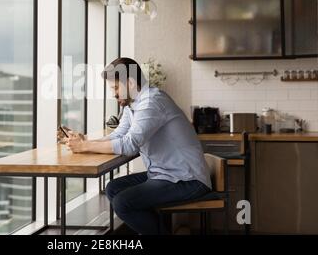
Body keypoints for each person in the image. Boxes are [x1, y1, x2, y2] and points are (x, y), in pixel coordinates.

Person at [62, 57, 212, 235]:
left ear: (130, 83)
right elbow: (119, 134)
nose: (114, 94)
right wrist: (84, 141)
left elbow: (130, 144)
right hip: (163, 174)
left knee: (123, 202)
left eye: (116, 87)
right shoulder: (132, 105)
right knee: (113, 188)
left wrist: (84, 147)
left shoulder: (151, 102)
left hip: (187, 180)